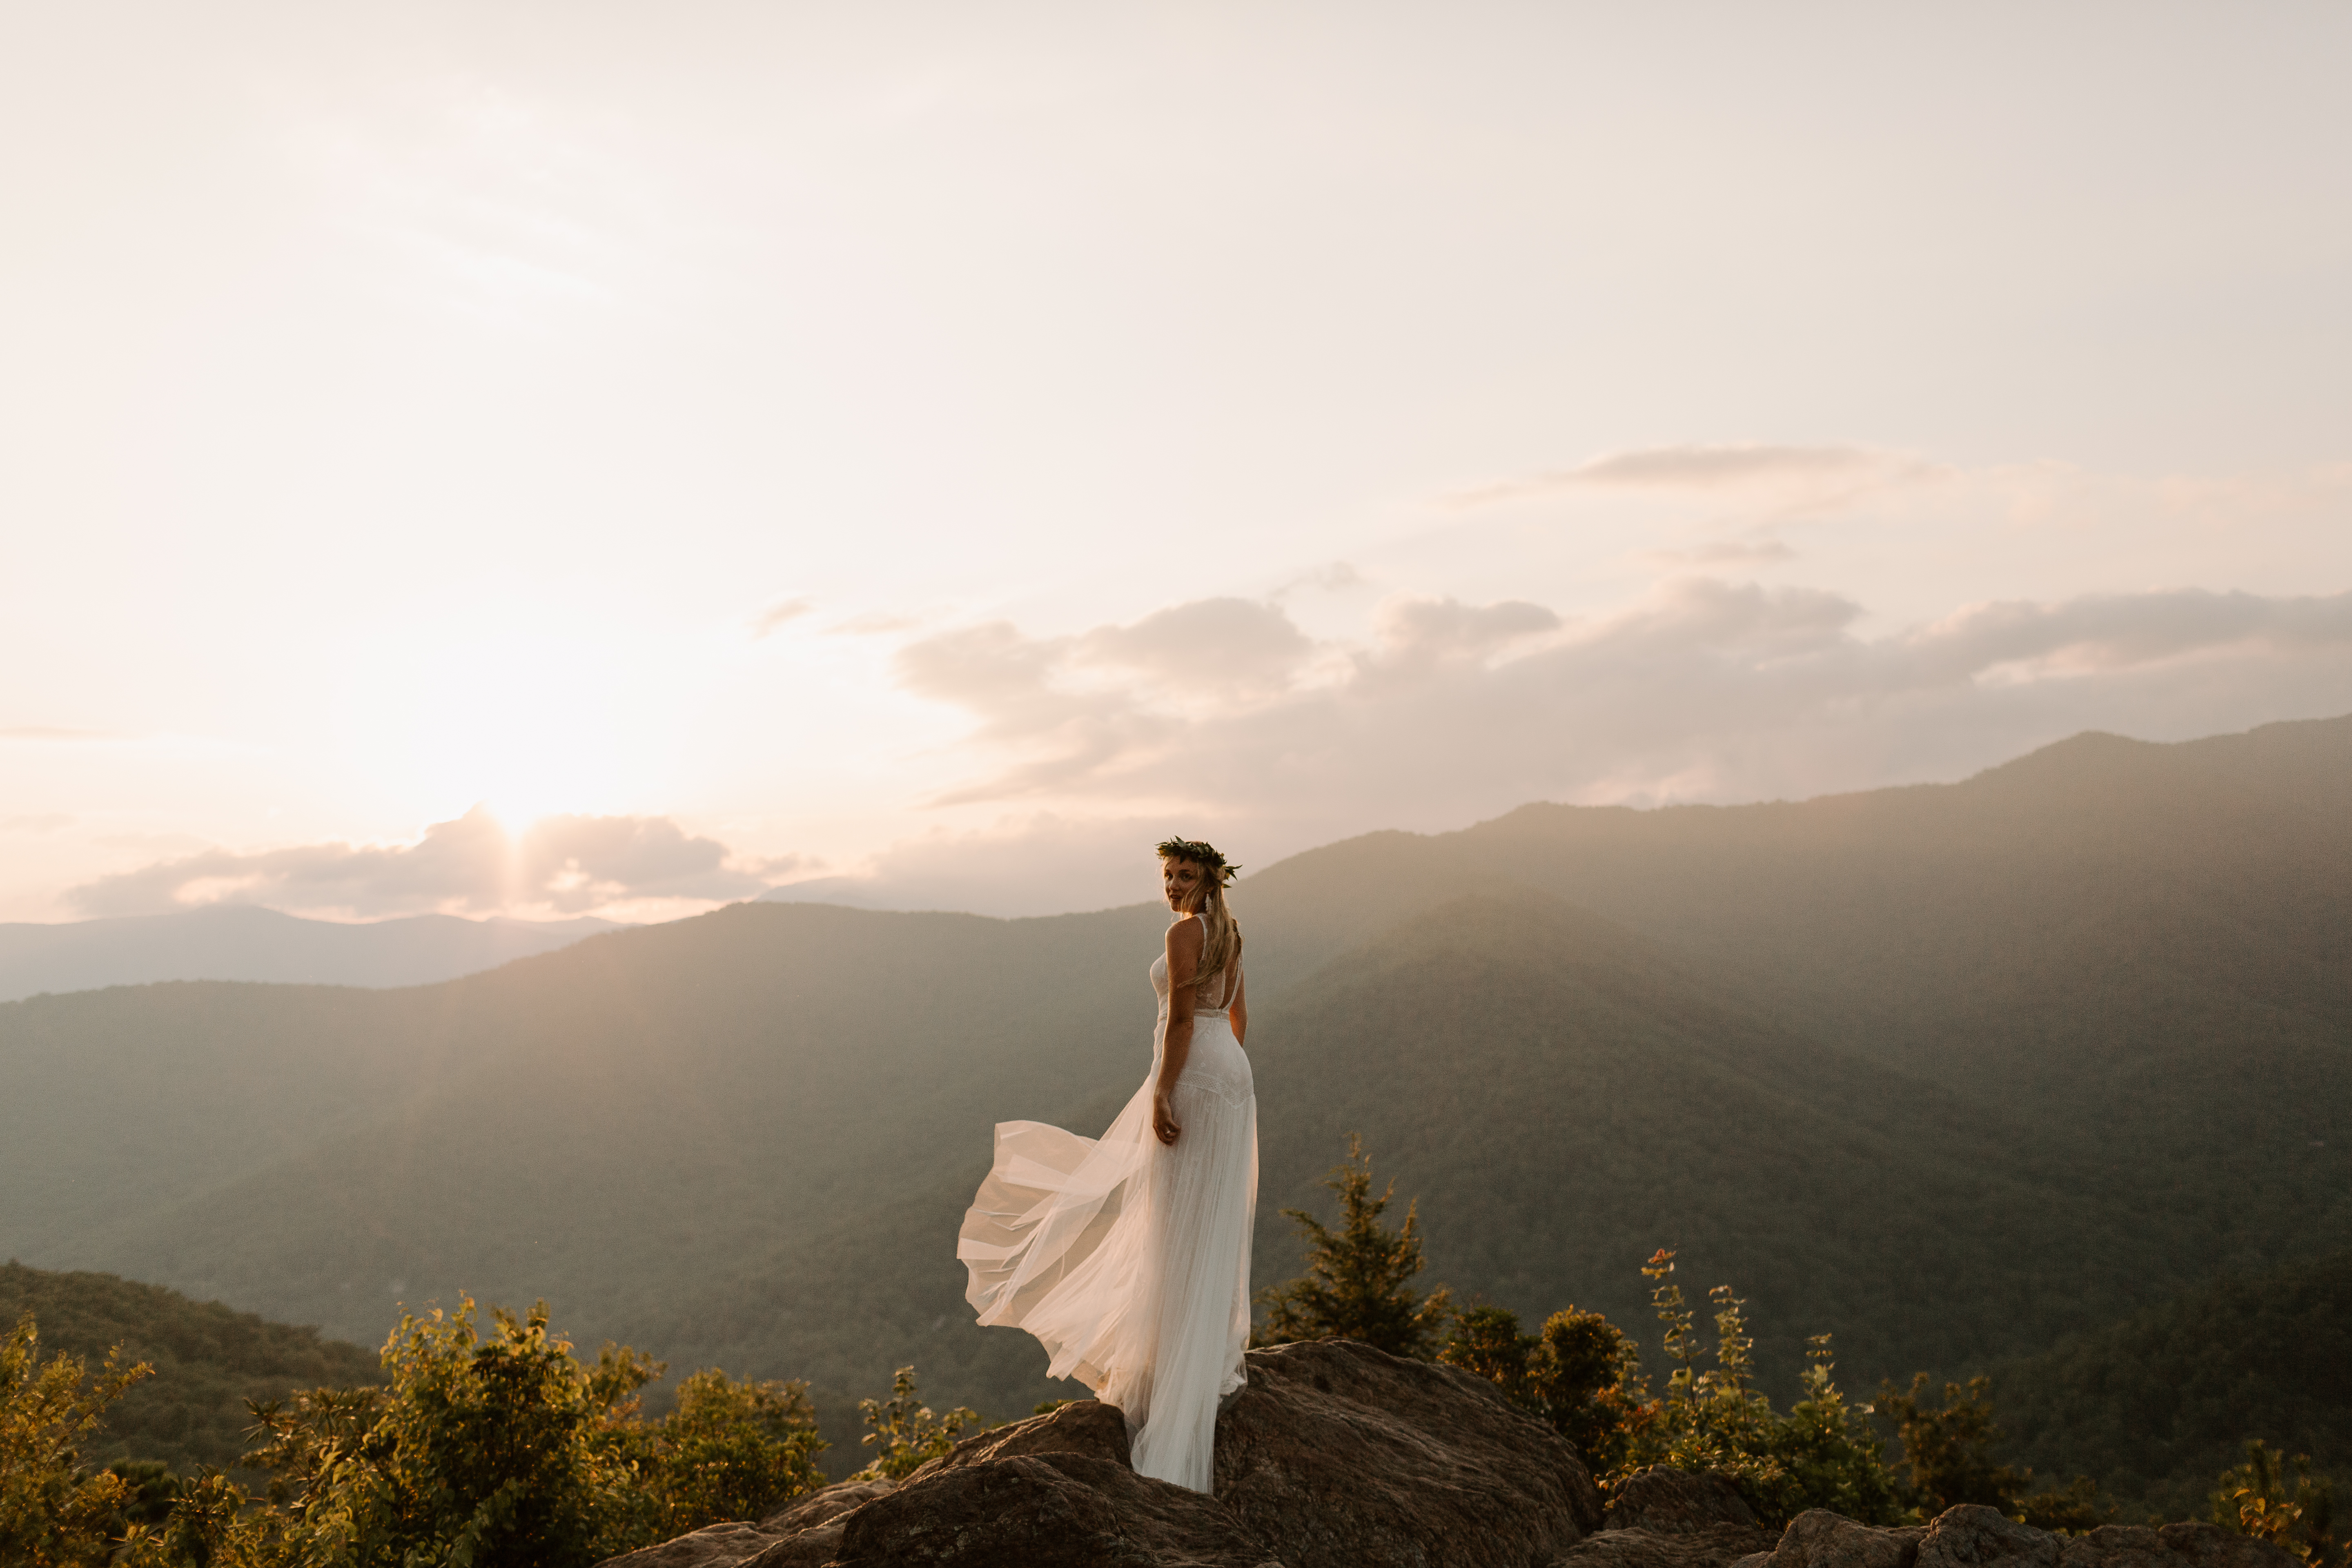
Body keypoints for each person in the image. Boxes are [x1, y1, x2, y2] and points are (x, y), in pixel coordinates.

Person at [957, 836, 1258, 1494]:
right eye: (1169, 875)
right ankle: (1191, 1364)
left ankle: (1167, 1383)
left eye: (1185, 876)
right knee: (1202, 1223)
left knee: (1173, 1218)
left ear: (1210, 882)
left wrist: (1164, 1089)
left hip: (1195, 1074)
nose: (1174, 886)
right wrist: (1221, 1075)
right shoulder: (1230, 936)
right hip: (1231, 1079)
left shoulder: (1185, 937)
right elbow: (1236, 1017)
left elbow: (1182, 1021)